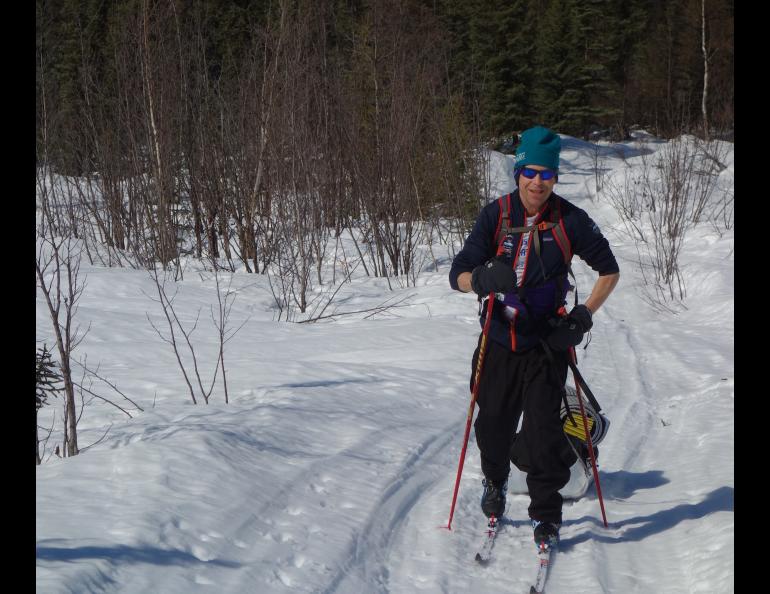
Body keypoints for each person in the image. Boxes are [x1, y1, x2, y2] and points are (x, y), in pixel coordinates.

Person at [449, 126, 620, 548]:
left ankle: (547, 513)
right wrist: (482, 279)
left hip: (547, 342)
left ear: (555, 177)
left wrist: (581, 317)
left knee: (544, 432)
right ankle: (495, 481)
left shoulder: (569, 219)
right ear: (518, 172)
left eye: (547, 174)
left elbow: (609, 270)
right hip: (499, 336)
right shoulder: (496, 215)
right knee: (492, 425)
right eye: (530, 171)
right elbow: (458, 275)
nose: (538, 181)